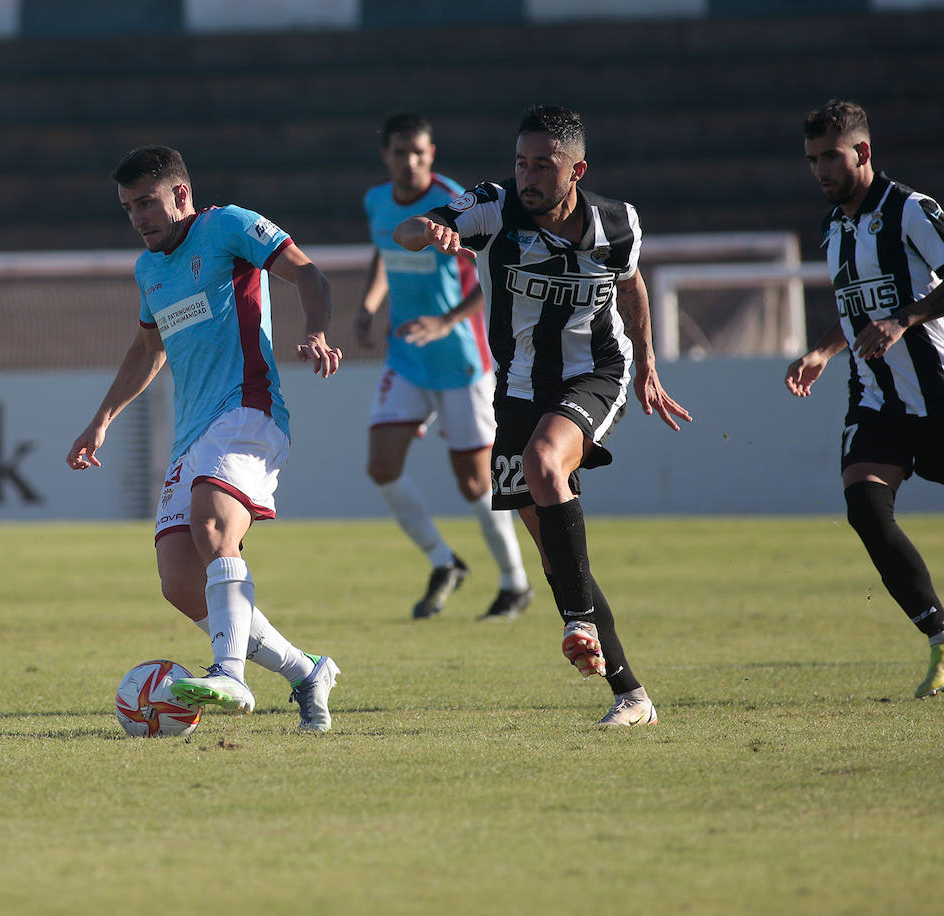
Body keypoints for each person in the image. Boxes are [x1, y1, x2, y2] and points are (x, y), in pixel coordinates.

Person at [393, 105, 692, 726]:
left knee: (543, 462)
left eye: (543, 165)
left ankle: (576, 621)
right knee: (558, 559)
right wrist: (432, 231)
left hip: (594, 374)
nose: (527, 176)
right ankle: (631, 694)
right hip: (517, 390)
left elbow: (631, 285)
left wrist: (648, 366)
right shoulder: (493, 208)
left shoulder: (618, 222)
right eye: (520, 162)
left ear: (576, 170)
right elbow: (408, 231)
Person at [67, 145, 343, 731]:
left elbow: (308, 273)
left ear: (181, 195)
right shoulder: (150, 270)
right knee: (180, 582)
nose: (139, 218)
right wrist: (103, 418)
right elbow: (149, 348)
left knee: (215, 526)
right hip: (192, 433)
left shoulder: (227, 226)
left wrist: (317, 331)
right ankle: (305, 670)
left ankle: (230, 674)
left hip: (249, 407)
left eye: (147, 203)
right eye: (128, 208)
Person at [786, 99, 944, 699]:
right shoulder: (835, 227)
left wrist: (905, 319)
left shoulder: (909, 210)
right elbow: (857, 311)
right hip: (878, 400)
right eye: (812, 160)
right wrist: (823, 351)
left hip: (937, 392)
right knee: (865, 507)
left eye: (831, 156)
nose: (822, 169)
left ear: (863, 152)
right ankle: (939, 638)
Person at [356, 111, 533, 622]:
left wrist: (445, 321)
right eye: (399, 152)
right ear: (385, 155)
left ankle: (514, 583)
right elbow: (383, 255)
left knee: (476, 483)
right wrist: (369, 306)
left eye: (418, 151)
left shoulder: (456, 203)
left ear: (431, 154)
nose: (408, 161)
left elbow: (494, 274)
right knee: (382, 465)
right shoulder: (376, 202)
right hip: (407, 357)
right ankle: (444, 560)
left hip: (461, 360)